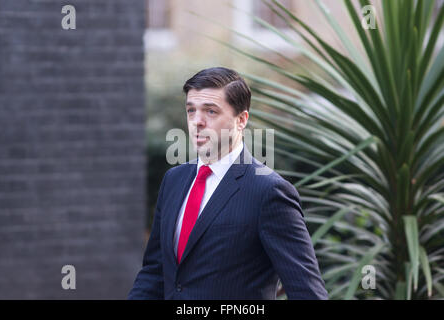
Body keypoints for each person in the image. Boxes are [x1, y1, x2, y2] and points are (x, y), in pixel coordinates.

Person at [128, 67, 328, 300]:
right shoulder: (174, 180)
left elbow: (308, 293)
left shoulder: (269, 191)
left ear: (241, 120)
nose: (197, 122)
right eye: (191, 110)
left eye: (210, 112)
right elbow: (154, 273)